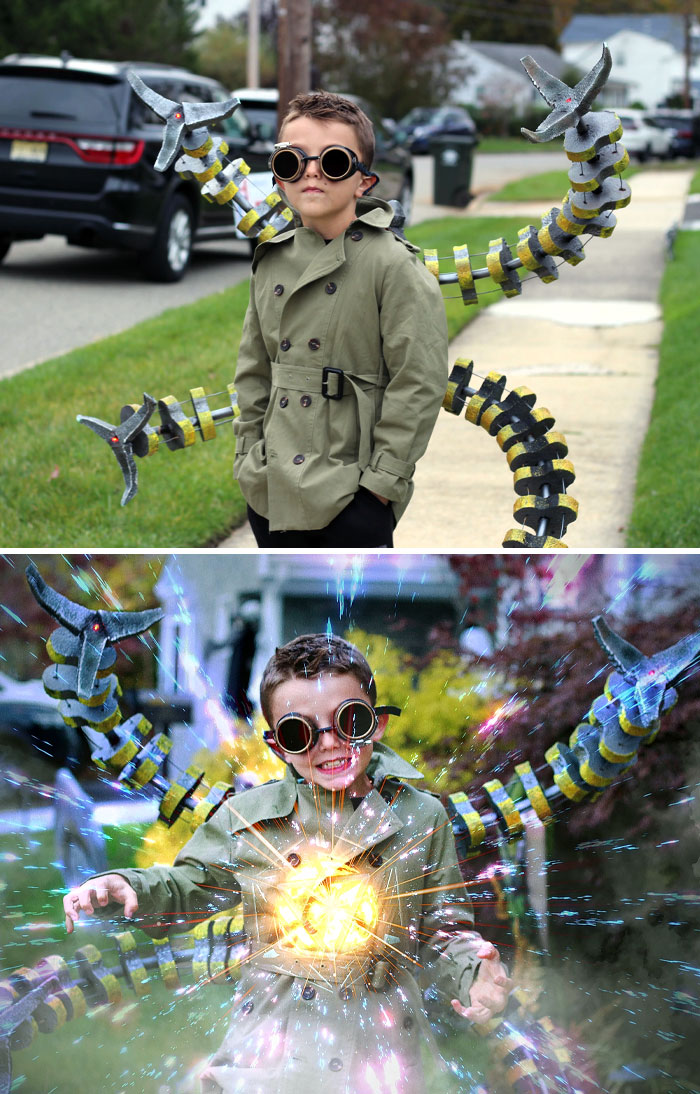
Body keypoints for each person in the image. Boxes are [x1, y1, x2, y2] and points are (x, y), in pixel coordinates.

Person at [63, 635, 511, 1093]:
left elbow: (443, 930)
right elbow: (188, 886)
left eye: (348, 721)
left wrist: (474, 973)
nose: (330, 743)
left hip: (384, 1054)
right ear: (278, 745)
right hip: (273, 1055)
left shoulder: (420, 816)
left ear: (375, 724)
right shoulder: (250, 820)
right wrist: (128, 885)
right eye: (302, 731)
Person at [232, 92, 449, 547]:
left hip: (350, 491)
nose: (311, 171)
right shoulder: (271, 260)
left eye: (332, 161)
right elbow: (253, 371)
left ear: (363, 181)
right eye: (292, 160)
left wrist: (381, 484)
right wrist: (247, 458)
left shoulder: (392, 265)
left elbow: (419, 381)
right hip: (269, 490)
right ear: (278, 176)